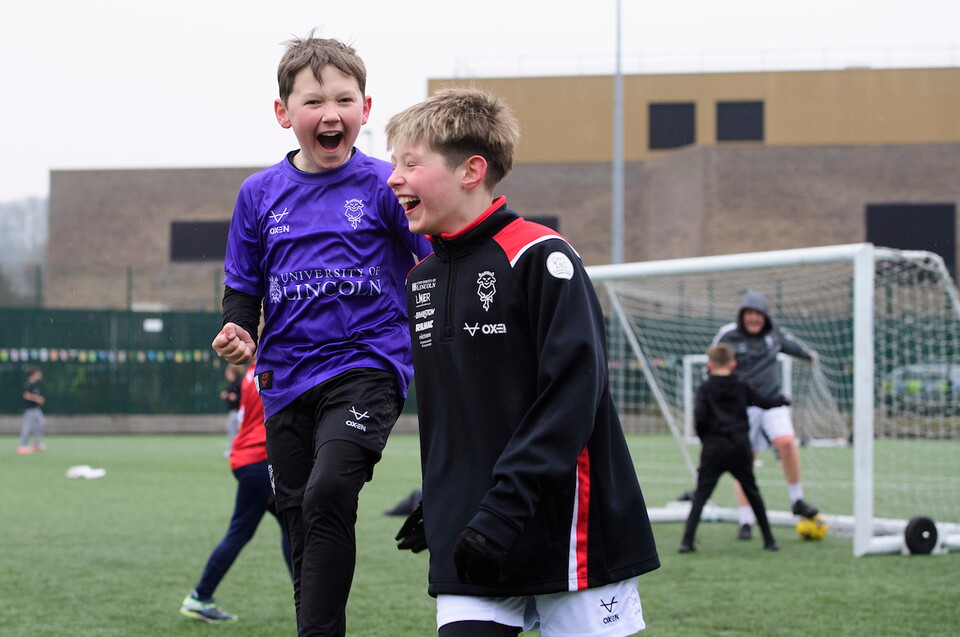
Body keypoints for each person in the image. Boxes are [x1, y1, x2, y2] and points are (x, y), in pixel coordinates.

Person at [388, 87, 660, 637]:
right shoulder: (421, 280)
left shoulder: (541, 256)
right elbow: (459, 414)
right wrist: (446, 498)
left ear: (471, 170)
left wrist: (503, 509)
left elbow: (570, 397)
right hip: (473, 538)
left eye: (410, 163)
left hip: (568, 535)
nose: (393, 177)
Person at [210, 32, 431, 636]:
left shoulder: (388, 186)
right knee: (301, 518)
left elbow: (434, 265)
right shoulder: (257, 195)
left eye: (344, 99)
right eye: (313, 102)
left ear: (365, 107)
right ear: (284, 113)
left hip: (368, 364)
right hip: (284, 380)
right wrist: (235, 329)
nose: (330, 114)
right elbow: (242, 289)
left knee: (330, 490)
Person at [181, 360, 293, 623]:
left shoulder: (255, 370)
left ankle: (308, 599)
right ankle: (199, 596)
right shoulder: (280, 366)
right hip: (260, 461)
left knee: (292, 526)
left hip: (249, 458)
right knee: (243, 531)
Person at [712, 290, 820, 541]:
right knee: (744, 461)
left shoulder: (775, 334)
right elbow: (714, 365)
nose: (753, 318)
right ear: (742, 315)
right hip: (741, 409)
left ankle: (797, 500)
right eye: (749, 313)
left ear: (765, 316)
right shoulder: (727, 335)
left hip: (772, 403)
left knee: (786, 443)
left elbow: (793, 346)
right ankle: (746, 521)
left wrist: (809, 356)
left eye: (758, 314)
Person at [678, 343, 786, 553]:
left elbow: (699, 419)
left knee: (701, 495)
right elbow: (763, 402)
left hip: (714, 449)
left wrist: (706, 440)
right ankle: (769, 540)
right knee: (752, 492)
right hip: (739, 448)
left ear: (709, 364)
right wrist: (781, 400)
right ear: (733, 363)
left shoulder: (705, 387)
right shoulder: (742, 384)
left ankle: (686, 541)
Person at [18, 366, 46, 454]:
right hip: (30, 409)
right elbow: (26, 395)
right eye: (38, 373)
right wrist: (37, 399)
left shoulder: (34, 384)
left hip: (36, 409)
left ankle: (36, 444)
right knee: (28, 427)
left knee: (41, 424)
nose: (40, 375)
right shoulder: (28, 384)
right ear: (33, 374)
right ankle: (23, 446)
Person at [220, 364, 243, 458]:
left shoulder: (239, 383)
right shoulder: (232, 383)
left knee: (233, 431)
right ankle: (233, 449)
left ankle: (234, 450)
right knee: (231, 430)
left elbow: (244, 396)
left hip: (237, 411)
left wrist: (236, 397)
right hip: (233, 411)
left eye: (228, 372)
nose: (226, 374)